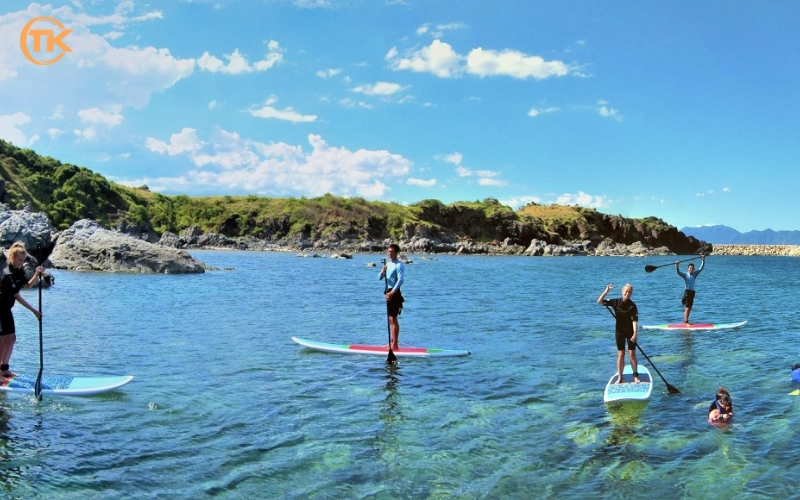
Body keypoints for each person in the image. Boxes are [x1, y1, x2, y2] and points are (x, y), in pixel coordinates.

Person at [0, 242, 45, 382]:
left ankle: (4, 368)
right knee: (2, 340)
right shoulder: (8, 275)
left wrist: (37, 273)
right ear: (13, 257)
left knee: (11, 338)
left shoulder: (19, 272)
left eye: (23, 260)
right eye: (19, 260)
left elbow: (26, 286)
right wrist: (34, 311)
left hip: (6, 309)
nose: (21, 262)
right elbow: (18, 297)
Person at [597, 283, 640, 384]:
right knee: (620, 354)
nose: (627, 293)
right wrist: (606, 292)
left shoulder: (633, 306)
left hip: (630, 332)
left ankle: (635, 376)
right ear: (622, 292)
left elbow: (634, 321)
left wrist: (634, 334)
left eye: (629, 292)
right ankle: (620, 377)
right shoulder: (615, 302)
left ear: (631, 293)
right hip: (619, 331)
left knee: (632, 354)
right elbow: (599, 302)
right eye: (626, 291)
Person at [379, 243, 405, 351]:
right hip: (388, 291)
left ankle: (395, 345)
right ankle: (391, 342)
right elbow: (380, 278)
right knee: (390, 319)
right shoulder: (388, 264)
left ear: (396, 252)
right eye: (389, 251)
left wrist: (392, 292)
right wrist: (382, 271)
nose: (390, 253)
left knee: (393, 318)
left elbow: (401, 280)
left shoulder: (399, 265)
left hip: (394, 292)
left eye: (392, 251)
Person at [676, 255, 705, 326]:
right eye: (690, 268)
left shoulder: (694, 274)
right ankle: (686, 322)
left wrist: (703, 260)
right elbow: (678, 272)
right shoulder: (685, 275)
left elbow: (701, 268)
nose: (691, 269)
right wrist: (677, 265)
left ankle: (686, 321)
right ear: (688, 269)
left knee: (690, 307)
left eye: (692, 268)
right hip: (688, 292)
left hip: (692, 292)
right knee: (687, 307)